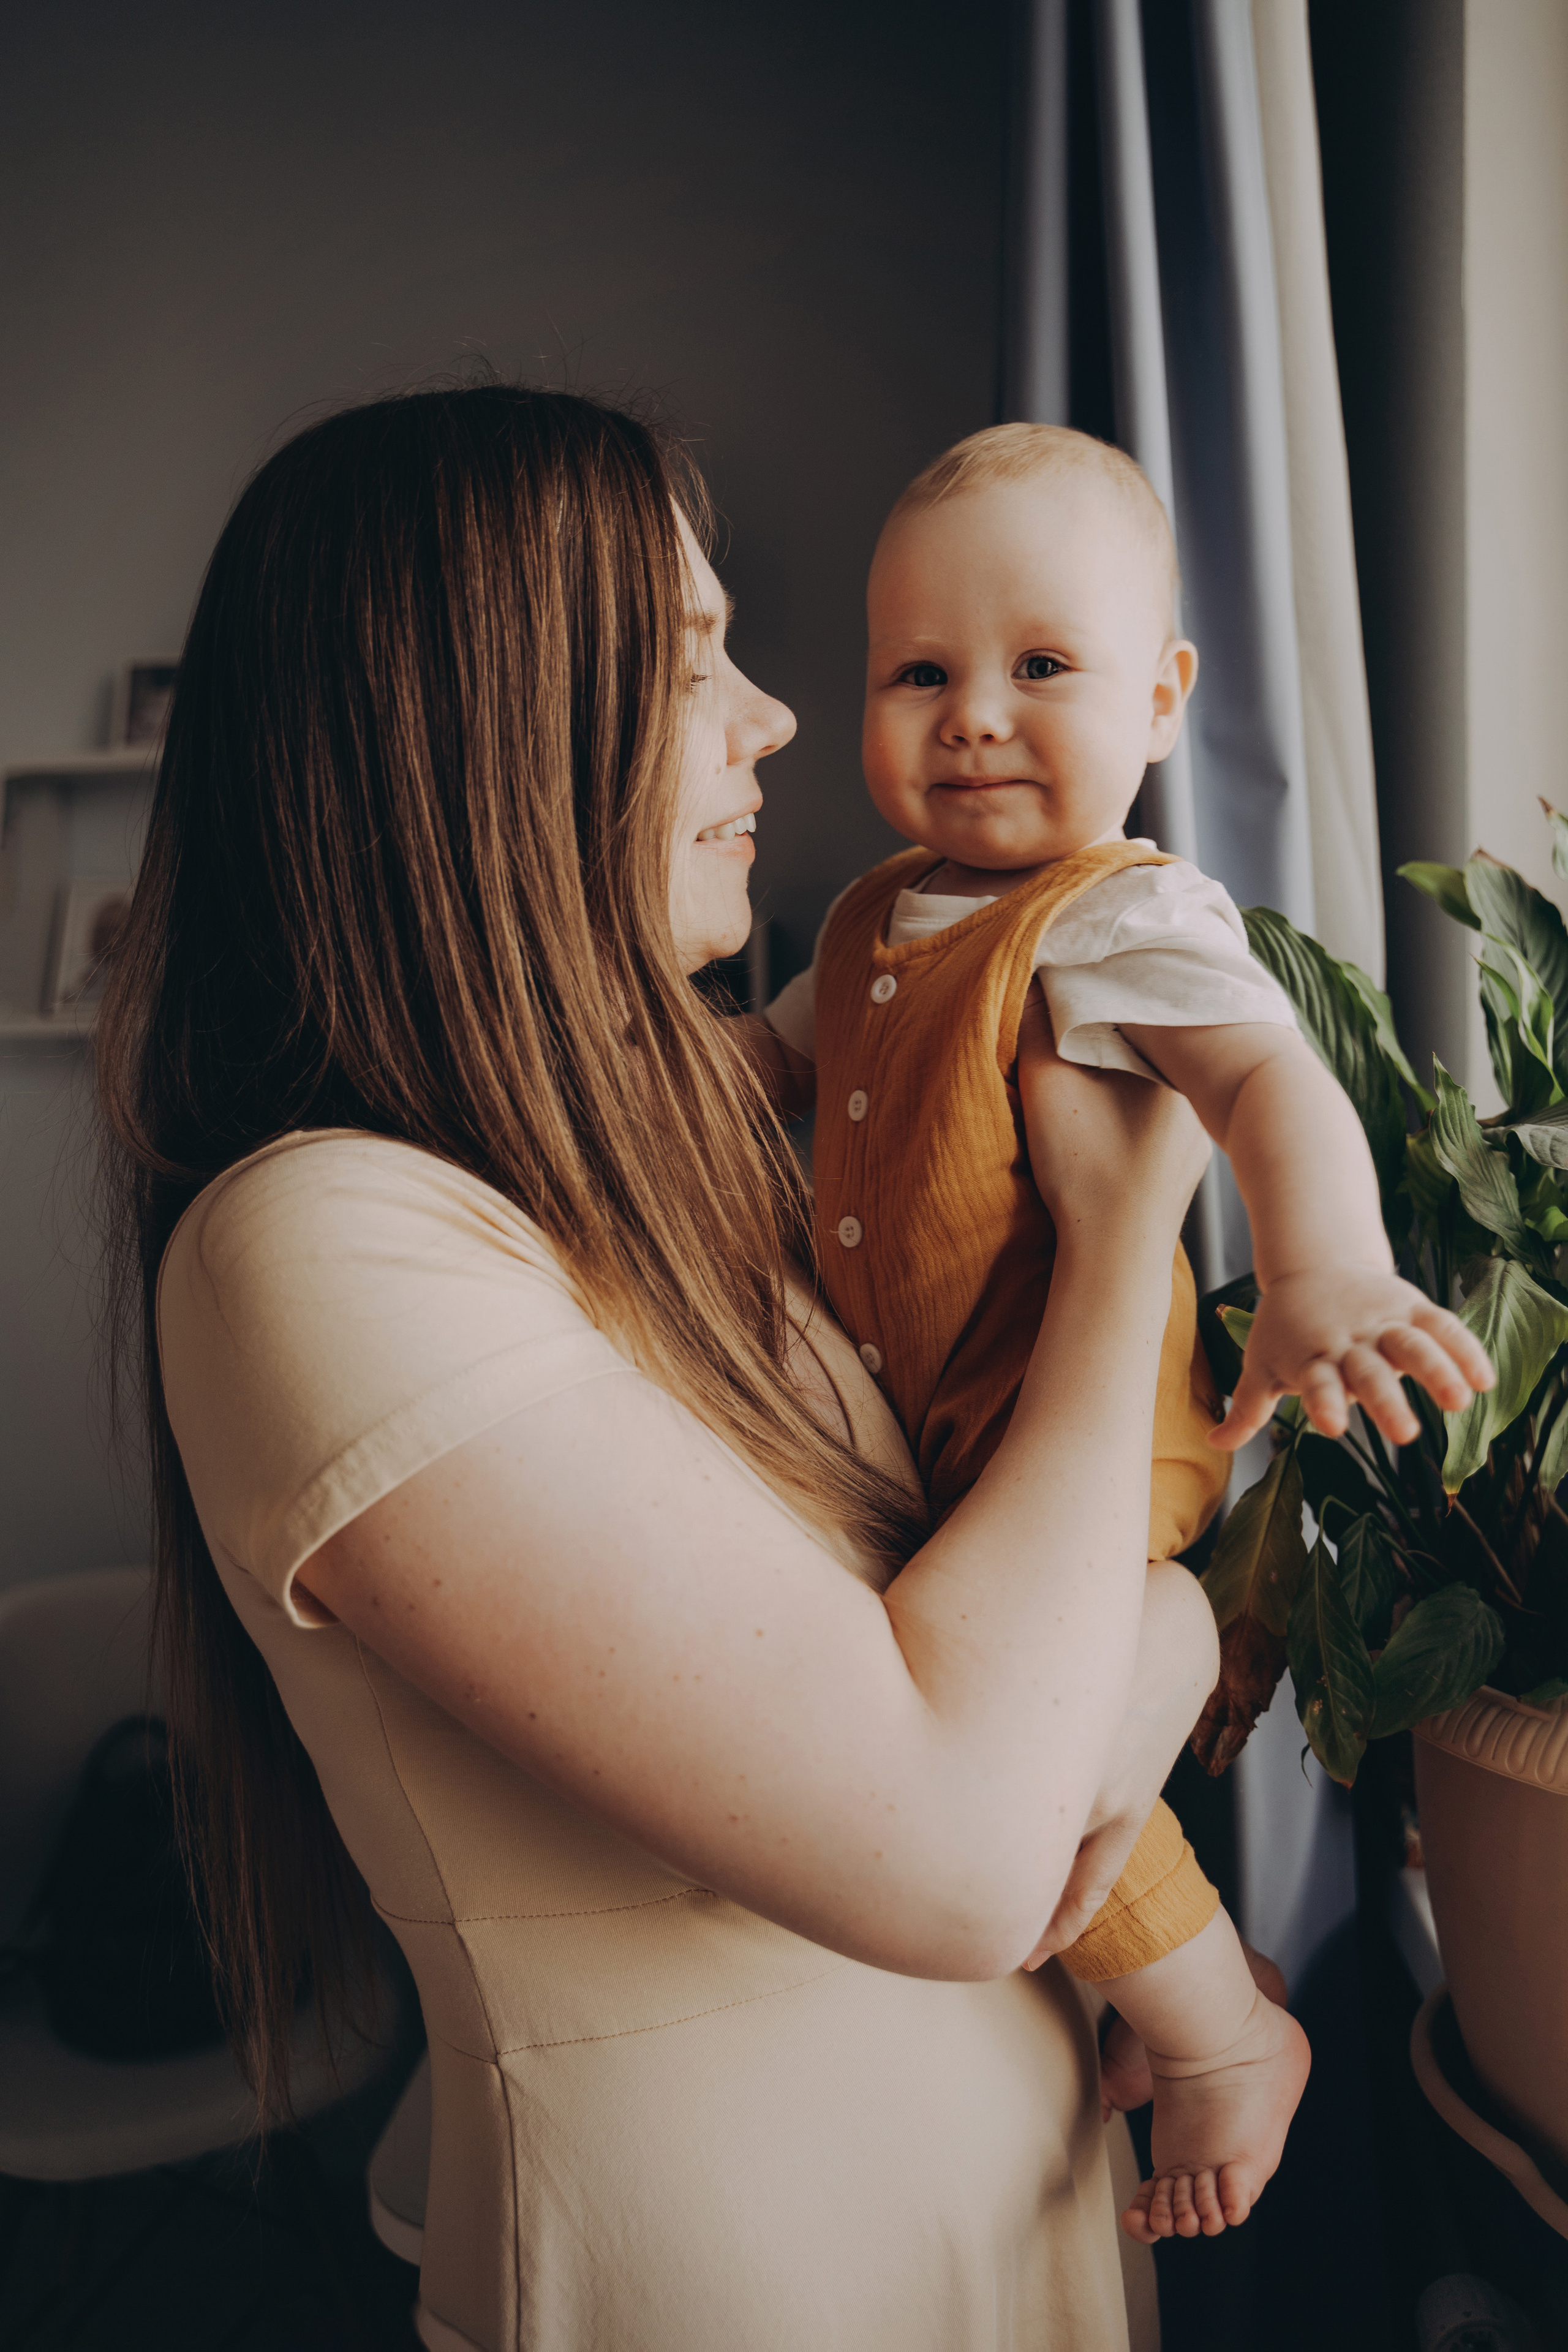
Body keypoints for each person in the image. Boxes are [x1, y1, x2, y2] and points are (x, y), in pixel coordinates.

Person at [100, 385, 1233, 2352]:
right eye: (690, 659)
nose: (778, 720)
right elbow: (977, 1843)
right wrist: (1130, 1237)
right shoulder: (322, 1243)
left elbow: (1041, 1621)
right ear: (484, 737)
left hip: (1015, 2221)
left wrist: (1168, 1660)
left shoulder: (664, 1157)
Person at [750, 421, 1493, 2244]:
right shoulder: (867, 918)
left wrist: (1321, 1263)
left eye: (1043, 667)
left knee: (1029, 1753)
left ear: (1160, 699)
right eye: (917, 673)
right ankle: (1165, 1998)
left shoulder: (1123, 914)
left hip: (1074, 1443)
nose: (975, 715)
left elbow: (1266, 1079)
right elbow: (752, 1069)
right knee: (999, 1771)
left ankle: (1230, 2032)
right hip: (941, 1445)